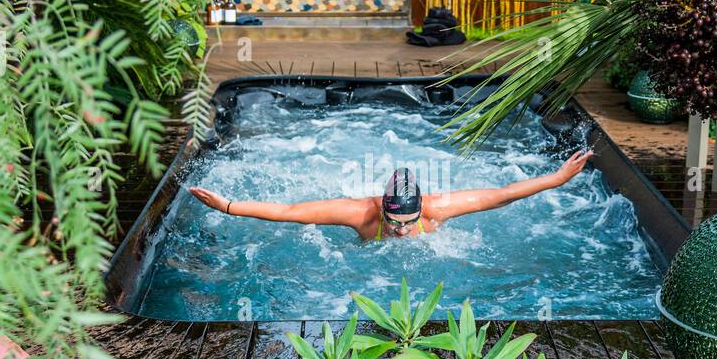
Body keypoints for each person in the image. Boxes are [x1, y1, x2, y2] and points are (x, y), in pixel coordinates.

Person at [187, 148, 596, 242]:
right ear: (381, 207)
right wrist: (227, 206)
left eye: (407, 222)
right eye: (393, 221)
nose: (400, 231)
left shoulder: (438, 209)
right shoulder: (359, 214)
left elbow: (504, 194)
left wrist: (557, 179)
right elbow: (289, 211)